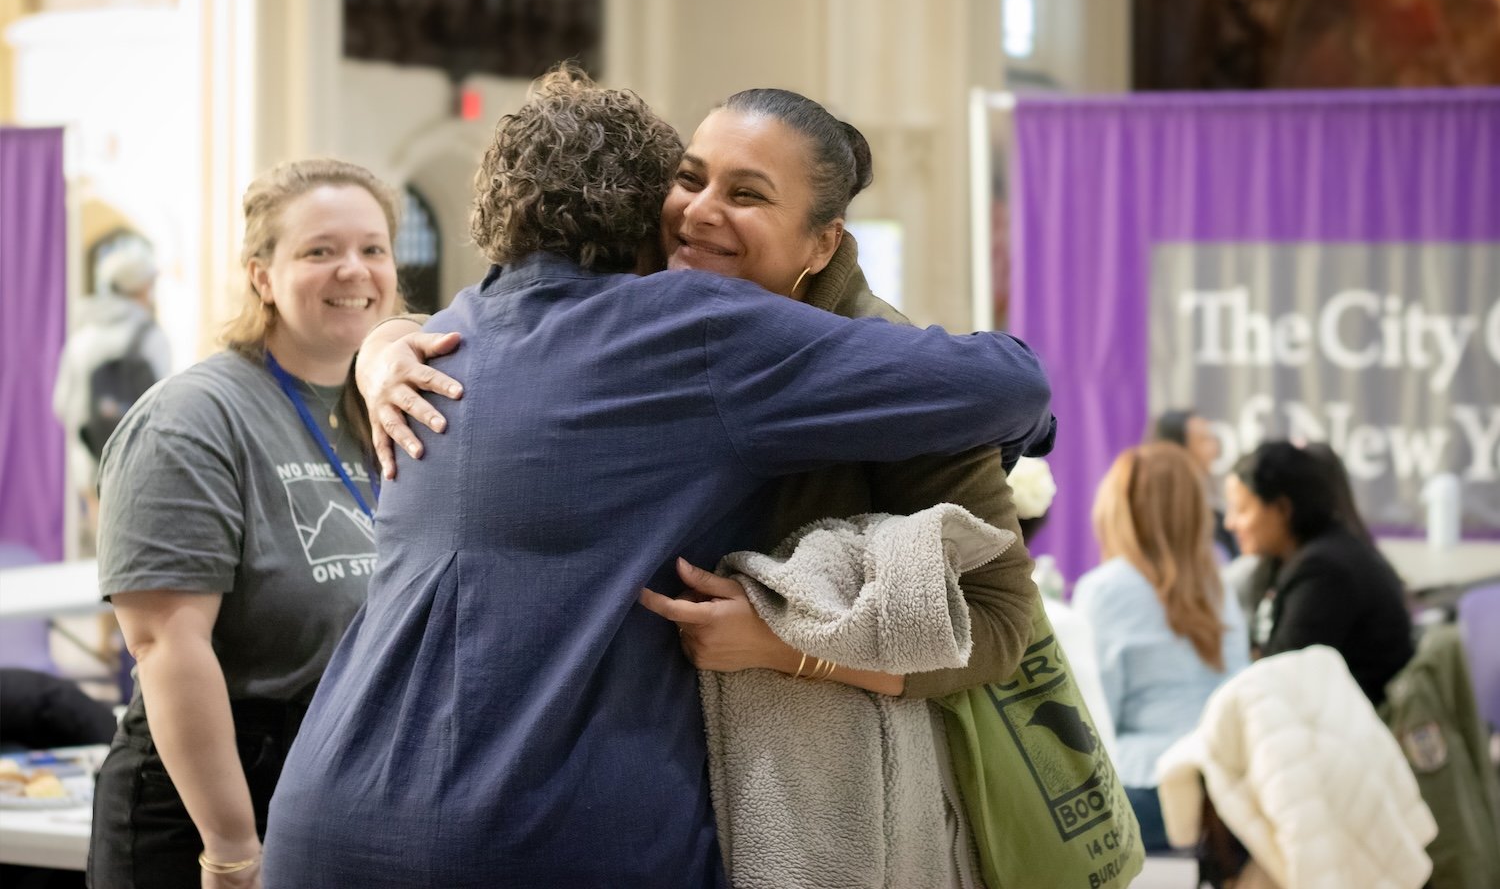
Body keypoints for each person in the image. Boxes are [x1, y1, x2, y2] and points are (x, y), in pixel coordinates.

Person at [260, 69, 1054, 889]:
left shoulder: (455, 333)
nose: (703, 211)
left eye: (747, 193)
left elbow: (998, 621)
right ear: (646, 210)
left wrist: (797, 648)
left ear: (825, 242)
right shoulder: (689, 326)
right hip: (552, 826)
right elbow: (1016, 387)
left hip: (329, 806)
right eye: (688, 180)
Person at [87, 158, 401, 889]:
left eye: (372, 248)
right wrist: (231, 847)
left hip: (332, 783)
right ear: (261, 274)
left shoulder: (386, 408)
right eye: (319, 250)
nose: (353, 270)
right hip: (207, 804)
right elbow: (166, 644)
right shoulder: (192, 419)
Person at [1073, 442, 1249, 851]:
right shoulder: (1219, 587)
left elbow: (1093, 719)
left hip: (1146, 793)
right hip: (1222, 790)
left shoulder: (1103, 590)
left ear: (1119, 509)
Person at [1224, 439, 1413, 706]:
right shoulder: (1288, 560)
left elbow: (1282, 679)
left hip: (1355, 729)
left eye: (1242, 510)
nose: (1230, 523)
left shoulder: (1325, 572)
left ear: (1282, 509)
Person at [51, 240, 171, 533]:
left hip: (89, 460)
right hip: (141, 465)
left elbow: (62, 404)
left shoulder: (83, 336)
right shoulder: (152, 338)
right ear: (142, 287)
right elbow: (168, 402)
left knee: (101, 548)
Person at [1148, 408, 1237, 558]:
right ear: (1176, 449)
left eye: (1212, 438)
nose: (1214, 448)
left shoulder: (1217, 518)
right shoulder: (1157, 519)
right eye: (1203, 440)